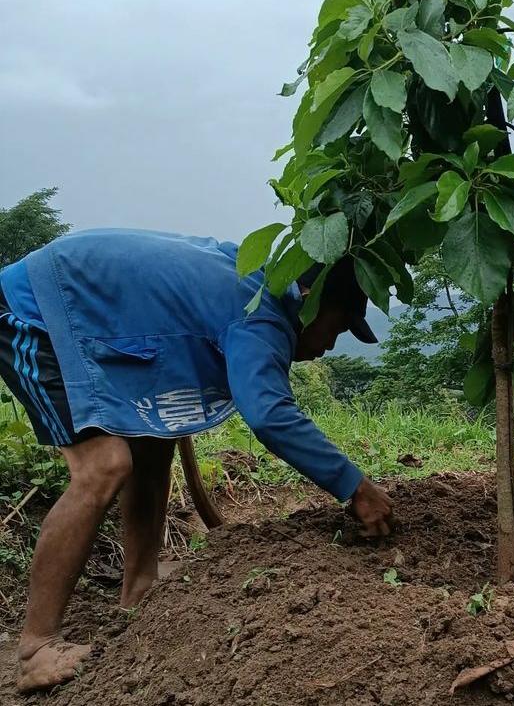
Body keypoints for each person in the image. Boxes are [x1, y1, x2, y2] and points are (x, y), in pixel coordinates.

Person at [0, 228, 393, 693]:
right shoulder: (259, 315)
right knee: (104, 465)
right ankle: (34, 647)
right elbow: (269, 415)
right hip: (38, 311)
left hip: (85, 312)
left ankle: (139, 585)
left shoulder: (253, 281)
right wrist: (356, 487)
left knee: (150, 448)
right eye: (339, 324)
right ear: (309, 298)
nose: (330, 343)